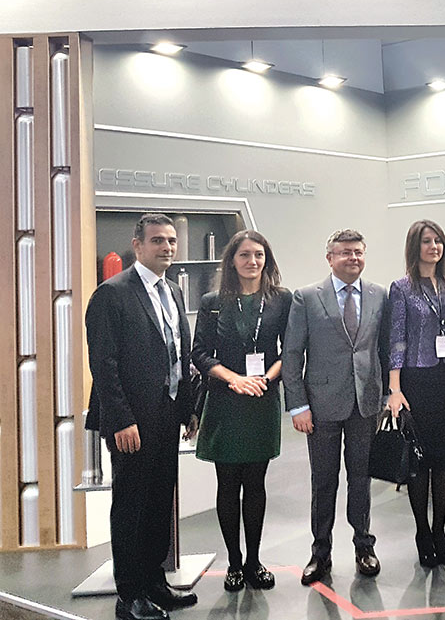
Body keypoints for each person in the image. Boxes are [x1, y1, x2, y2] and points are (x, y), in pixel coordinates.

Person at [85, 214, 198, 620]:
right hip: (131, 420)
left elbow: (179, 354)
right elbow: (104, 364)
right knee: (131, 506)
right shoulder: (112, 294)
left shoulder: (173, 291)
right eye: (157, 240)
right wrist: (120, 420)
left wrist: (188, 408)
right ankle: (129, 595)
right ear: (137, 245)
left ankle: (154, 583)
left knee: (158, 503)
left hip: (167, 414)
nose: (167, 247)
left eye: (171, 240)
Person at [282, 229, 389, 585]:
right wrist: (297, 405)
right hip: (320, 406)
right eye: (345, 252)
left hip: (365, 403)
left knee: (361, 479)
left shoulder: (378, 294)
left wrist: (386, 395)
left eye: (358, 252)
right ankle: (320, 553)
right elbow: (292, 354)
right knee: (323, 482)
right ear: (330, 258)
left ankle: (364, 547)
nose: (353, 258)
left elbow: (383, 349)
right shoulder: (307, 297)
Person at [191, 230, 291, 591]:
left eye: (259, 255)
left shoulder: (281, 299)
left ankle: (254, 561)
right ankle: (234, 562)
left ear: (267, 259)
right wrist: (234, 379)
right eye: (245, 255)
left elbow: (290, 350)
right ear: (232, 261)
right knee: (228, 484)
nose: (252, 261)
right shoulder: (213, 301)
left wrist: (266, 378)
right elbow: (199, 353)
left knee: (256, 484)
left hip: (261, 398)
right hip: (226, 401)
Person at [386, 220, 445, 567]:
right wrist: (395, 389)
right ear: (414, 247)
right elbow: (397, 340)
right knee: (419, 460)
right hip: (417, 380)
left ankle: (440, 531)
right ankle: (422, 532)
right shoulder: (401, 288)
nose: (434, 247)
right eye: (427, 241)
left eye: (438, 241)